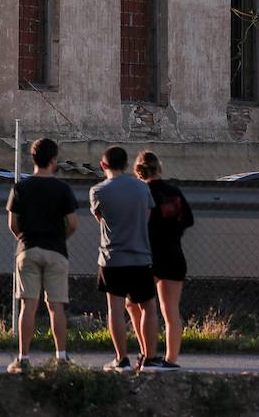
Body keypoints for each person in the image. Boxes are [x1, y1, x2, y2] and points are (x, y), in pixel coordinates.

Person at [90, 145, 171, 371]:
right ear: (126, 165)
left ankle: (121, 358)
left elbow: (100, 218)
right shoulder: (142, 189)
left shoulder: (98, 191)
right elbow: (146, 216)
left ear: (103, 165)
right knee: (148, 307)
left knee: (115, 307)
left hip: (112, 257)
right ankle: (151, 357)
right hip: (140, 256)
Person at [5, 137, 79, 373]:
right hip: (56, 249)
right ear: (54, 160)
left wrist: (24, 238)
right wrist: (60, 238)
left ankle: (23, 358)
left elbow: (13, 223)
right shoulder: (63, 189)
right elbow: (73, 223)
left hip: (28, 249)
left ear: (33, 158)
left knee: (29, 305)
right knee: (56, 306)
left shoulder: (20, 187)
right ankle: (61, 358)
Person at [136, 150, 194, 369]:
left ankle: (147, 352)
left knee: (138, 306)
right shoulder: (174, 192)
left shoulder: (141, 193)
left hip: (147, 255)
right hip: (173, 252)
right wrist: (173, 230)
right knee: (171, 311)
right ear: (159, 167)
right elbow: (188, 220)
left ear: (139, 171)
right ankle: (171, 359)